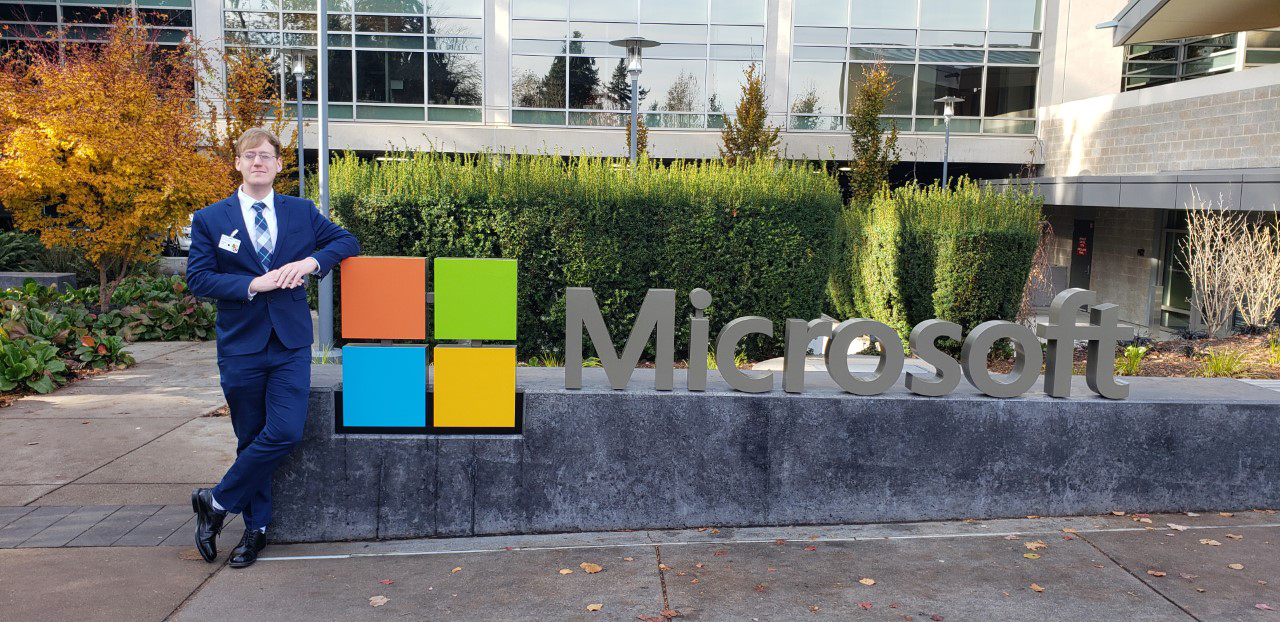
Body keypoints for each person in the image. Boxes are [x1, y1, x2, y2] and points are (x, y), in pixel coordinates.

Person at [185, 128, 359, 568]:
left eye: (266, 156)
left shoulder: (300, 212)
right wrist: (252, 284)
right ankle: (254, 531)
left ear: (280, 165)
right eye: (250, 156)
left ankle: (217, 502)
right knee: (250, 438)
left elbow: (346, 241)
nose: (258, 162)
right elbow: (199, 279)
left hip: (289, 342)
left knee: (283, 432)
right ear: (239, 163)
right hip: (241, 344)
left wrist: (310, 262)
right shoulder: (210, 219)